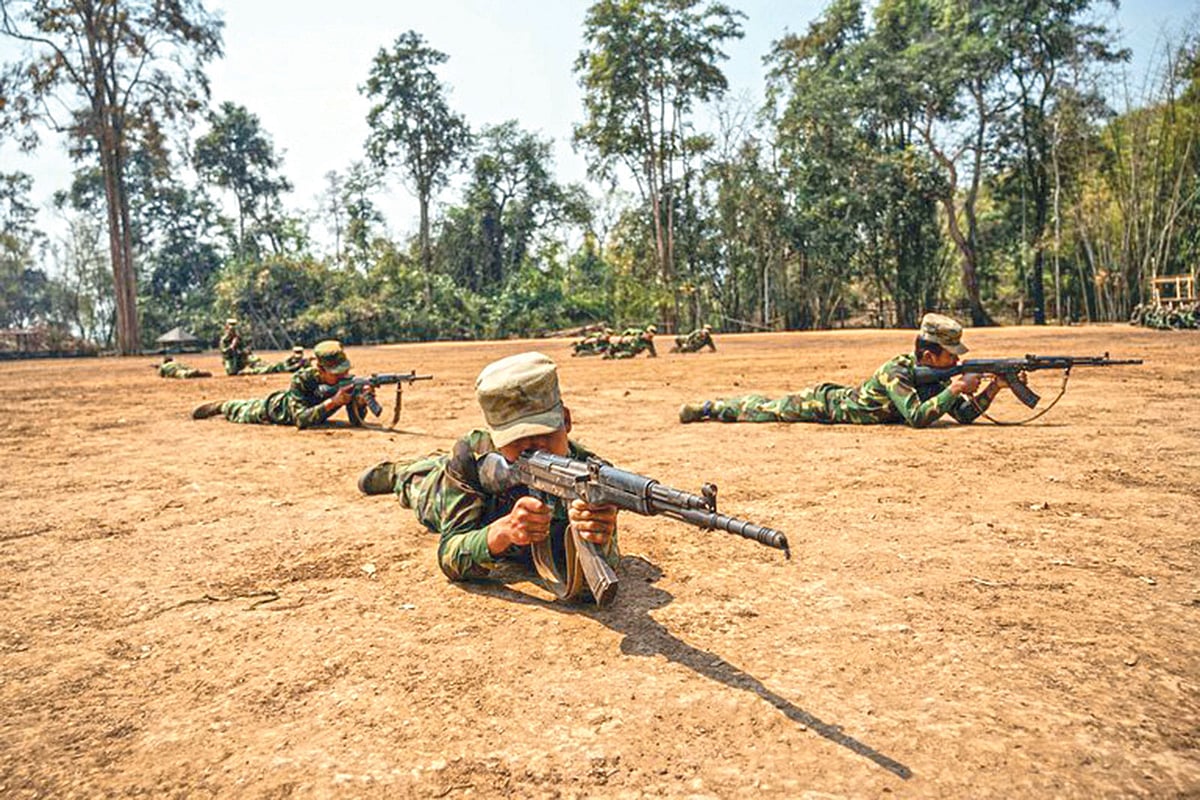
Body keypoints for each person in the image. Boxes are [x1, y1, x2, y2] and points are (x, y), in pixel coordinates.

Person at [356, 351, 620, 590]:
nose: (534, 446)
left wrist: (600, 538)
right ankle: (399, 473)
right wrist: (502, 532)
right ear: (497, 437)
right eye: (517, 438)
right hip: (441, 490)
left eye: (544, 432)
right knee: (422, 487)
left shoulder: (591, 476)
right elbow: (450, 555)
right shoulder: (473, 456)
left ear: (566, 420)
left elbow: (603, 568)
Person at [678, 313, 1008, 428]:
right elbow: (918, 417)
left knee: (767, 408)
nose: (956, 362)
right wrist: (956, 388)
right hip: (826, 406)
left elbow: (962, 415)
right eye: (951, 356)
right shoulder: (898, 371)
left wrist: (994, 388)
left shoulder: (935, 377)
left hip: (841, 407)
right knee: (765, 409)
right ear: (928, 354)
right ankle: (711, 407)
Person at [191, 340, 373, 429]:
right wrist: (333, 402)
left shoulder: (346, 383)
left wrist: (360, 403)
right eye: (337, 372)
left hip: (299, 409)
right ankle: (223, 405)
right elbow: (300, 420)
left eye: (345, 371)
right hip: (274, 410)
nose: (343, 375)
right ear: (320, 369)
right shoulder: (302, 379)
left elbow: (356, 422)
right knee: (240, 410)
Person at [242, 345, 309, 374]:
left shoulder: (303, 361)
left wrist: (304, 363)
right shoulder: (289, 359)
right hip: (276, 367)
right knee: (261, 370)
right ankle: (247, 371)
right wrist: (298, 365)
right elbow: (288, 369)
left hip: (276, 367)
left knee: (261, 366)